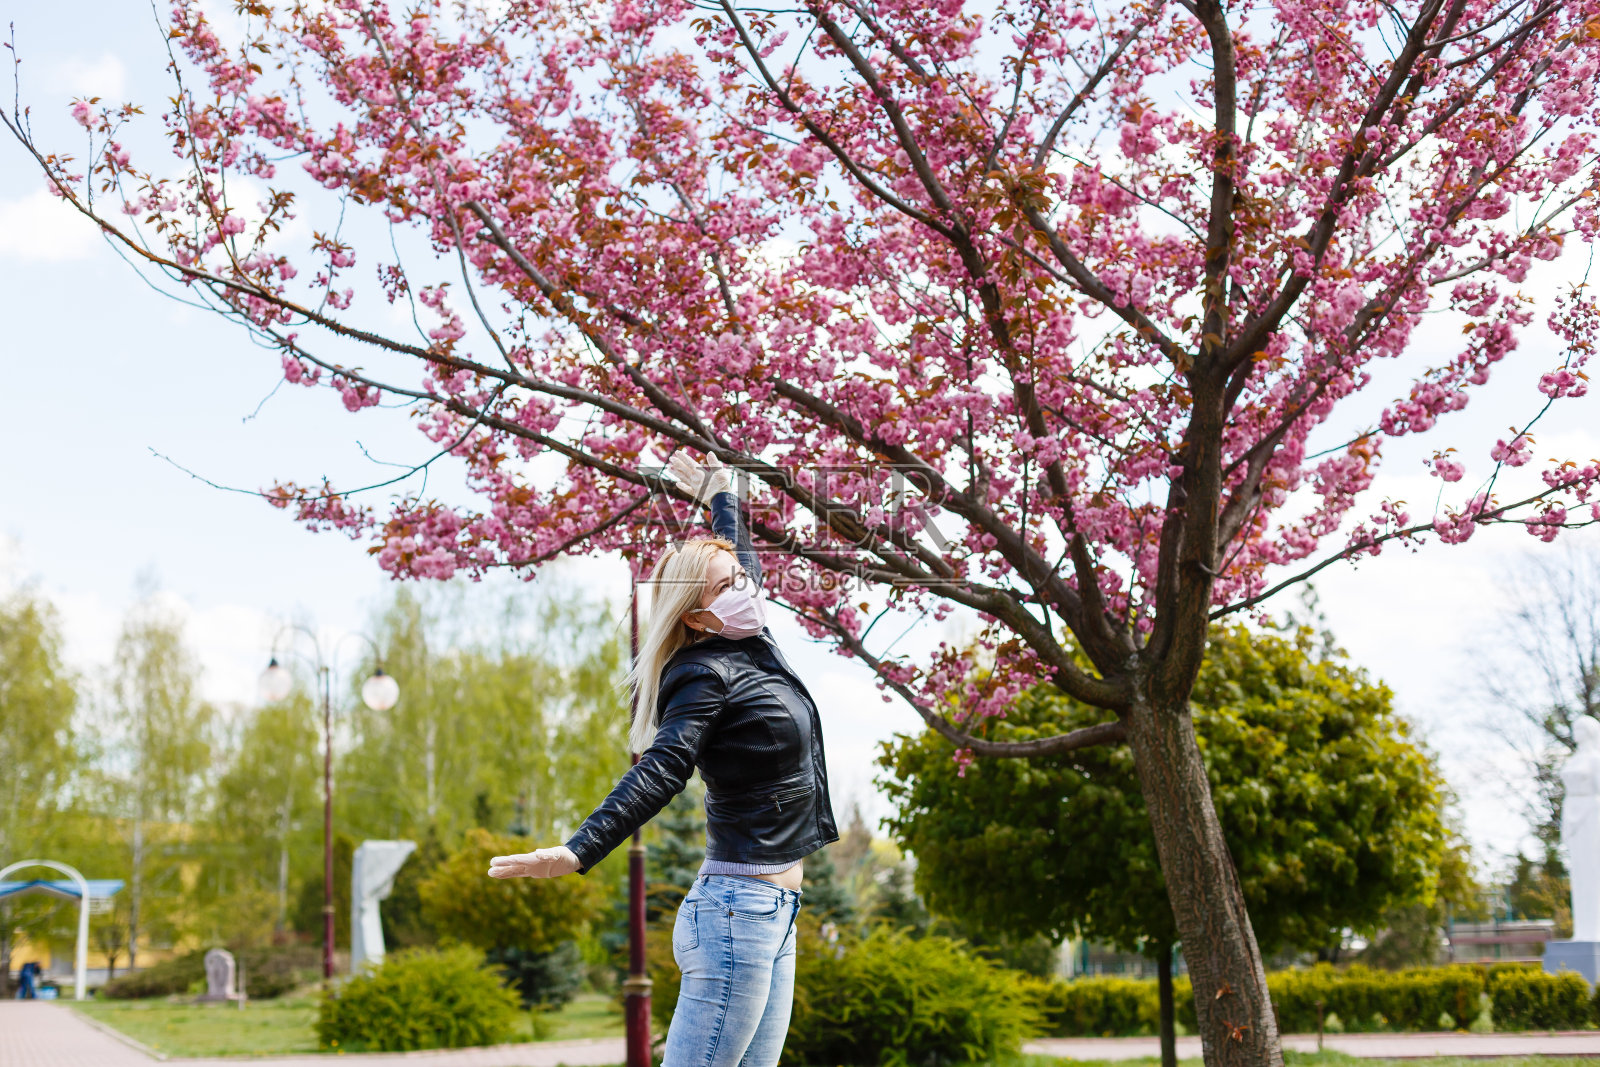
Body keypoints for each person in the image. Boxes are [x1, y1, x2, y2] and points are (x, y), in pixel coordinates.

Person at [488, 450, 838, 1067]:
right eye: (728, 587)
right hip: (738, 913)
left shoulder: (754, 644)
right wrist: (579, 849)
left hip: (775, 913)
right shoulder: (702, 673)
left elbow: (738, 558)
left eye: (742, 580)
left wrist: (720, 495)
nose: (748, 589)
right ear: (699, 615)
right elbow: (662, 766)